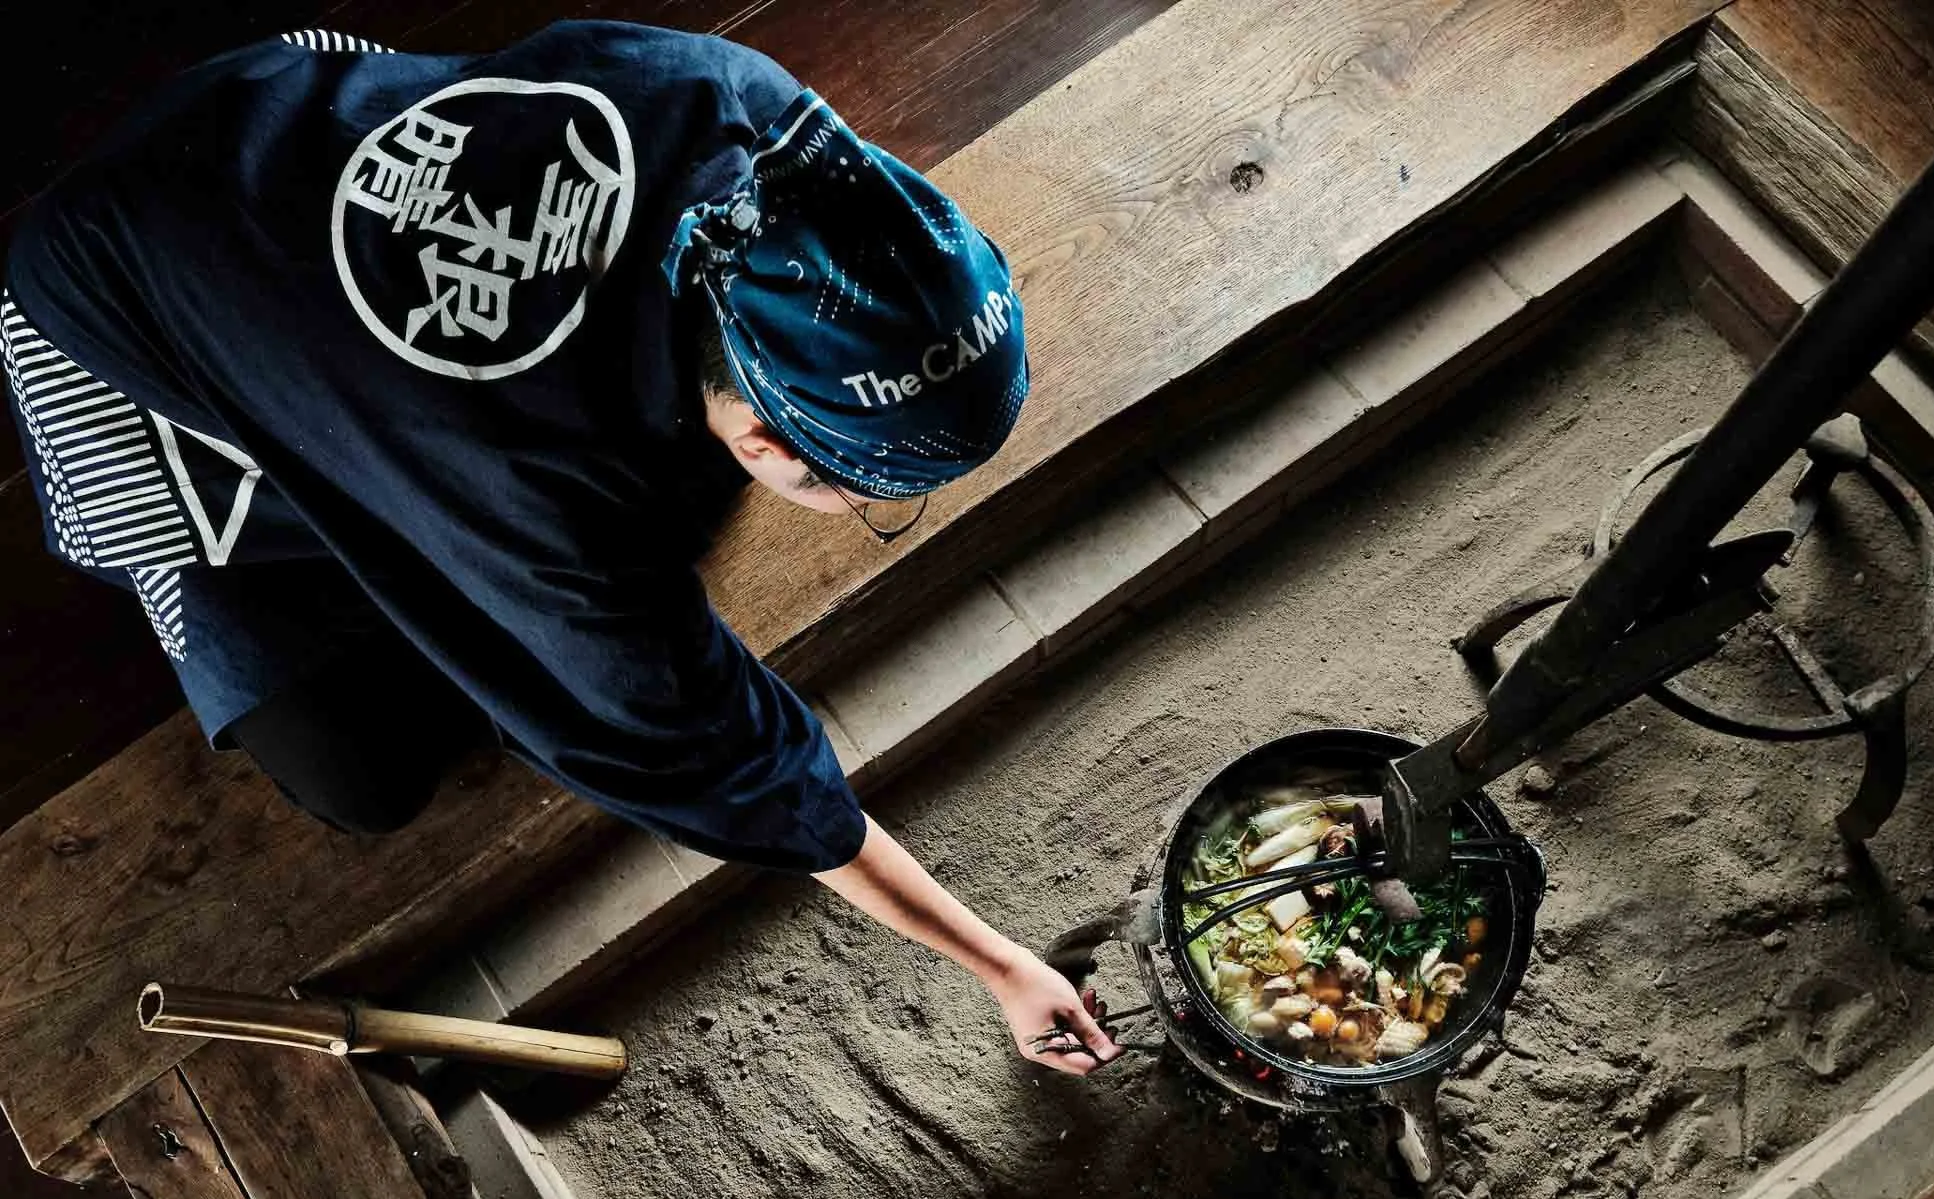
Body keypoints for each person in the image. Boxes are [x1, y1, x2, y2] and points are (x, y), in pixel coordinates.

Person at [2, 22, 1119, 1074]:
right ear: (769, 438)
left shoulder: (751, 116)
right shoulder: (536, 498)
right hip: (115, 307)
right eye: (867, 495)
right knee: (365, 774)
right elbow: (731, 758)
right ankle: (229, 531)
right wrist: (999, 962)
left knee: (597, 524)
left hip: (283, 109)